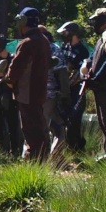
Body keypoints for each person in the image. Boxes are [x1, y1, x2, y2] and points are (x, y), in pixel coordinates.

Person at [5, 8, 51, 161]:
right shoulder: (44, 40)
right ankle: (42, 158)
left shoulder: (27, 43)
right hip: (39, 91)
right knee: (39, 126)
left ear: (23, 21)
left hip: (27, 93)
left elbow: (15, 68)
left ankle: (34, 162)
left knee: (31, 129)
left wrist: (10, 81)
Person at [82, 8, 106, 151]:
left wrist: (97, 78)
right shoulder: (101, 39)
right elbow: (93, 60)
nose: (94, 24)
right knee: (104, 123)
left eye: (96, 20)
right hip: (100, 89)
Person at [57, 22, 89, 153]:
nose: (63, 36)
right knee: (62, 119)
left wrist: (69, 84)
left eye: (65, 33)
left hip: (76, 90)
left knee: (74, 120)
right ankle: (64, 149)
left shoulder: (82, 50)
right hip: (63, 89)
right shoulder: (64, 47)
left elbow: (82, 73)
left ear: (73, 33)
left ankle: (76, 149)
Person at [39, 26, 70, 158]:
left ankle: (49, 158)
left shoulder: (30, 48)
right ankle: (49, 159)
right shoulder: (54, 49)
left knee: (52, 126)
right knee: (53, 127)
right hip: (51, 95)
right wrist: (65, 94)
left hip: (35, 95)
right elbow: (62, 73)